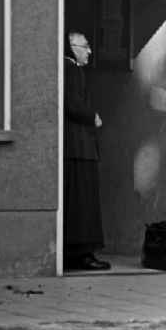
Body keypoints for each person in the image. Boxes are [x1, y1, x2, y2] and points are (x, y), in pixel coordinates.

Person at [63, 31, 111, 271]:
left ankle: (78, 252)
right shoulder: (71, 69)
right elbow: (71, 103)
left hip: (77, 146)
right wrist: (92, 117)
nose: (89, 51)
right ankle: (82, 254)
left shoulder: (71, 69)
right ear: (72, 47)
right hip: (78, 146)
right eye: (85, 46)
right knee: (83, 203)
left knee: (79, 201)